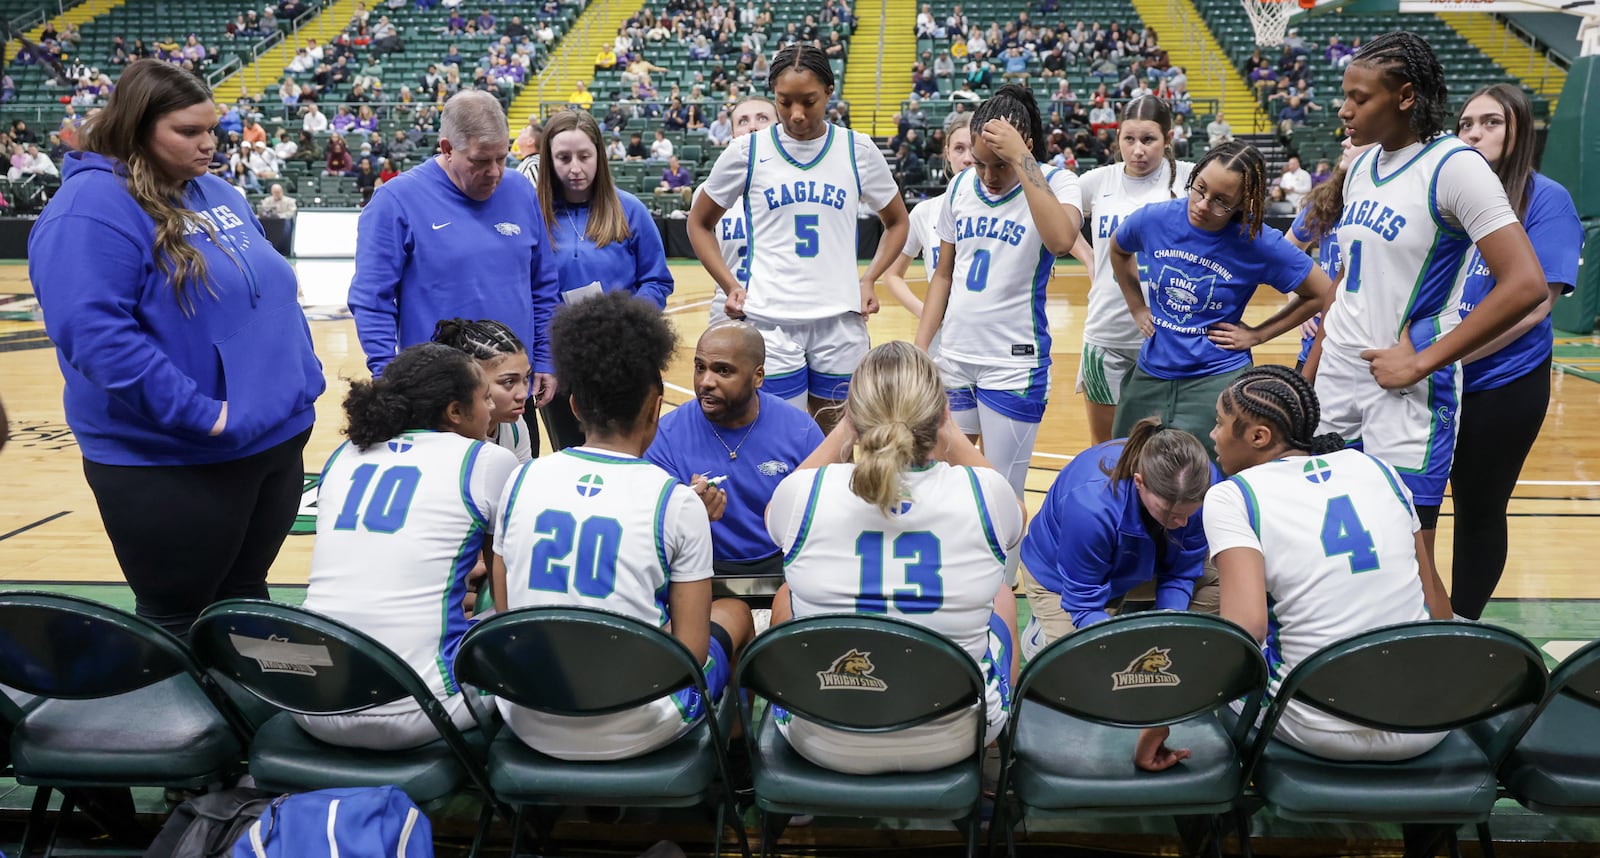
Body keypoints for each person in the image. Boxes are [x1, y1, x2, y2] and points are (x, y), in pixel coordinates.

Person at [28, 60, 324, 638]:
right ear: (137, 127)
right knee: (181, 621)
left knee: (245, 600)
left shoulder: (215, 191)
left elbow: (273, 294)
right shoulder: (89, 209)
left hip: (271, 442)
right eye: (188, 132)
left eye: (212, 129)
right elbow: (97, 338)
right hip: (174, 461)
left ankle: (247, 723)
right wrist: (201, 416)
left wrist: (301, 377)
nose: (208, 144)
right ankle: (189, 726)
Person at [1134, 366, 1450, 771]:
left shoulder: (1232, 495)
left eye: (1220, 423)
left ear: (1259, 436)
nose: (1212, 435)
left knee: (1229, 675)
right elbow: (1436, 606)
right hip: (1427, 722)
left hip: (1318, 729)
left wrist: (1162, 719)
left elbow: (1243, 636)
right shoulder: (1381, 471)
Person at [1309, 32, 1545, 572]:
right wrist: (1318, 357)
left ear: (1406, 96)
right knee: (1332, 532)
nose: (1344, 109)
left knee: (1408, 551)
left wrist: (1420, 361)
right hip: (1340, 375)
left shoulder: (1455, 166)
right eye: (1345, 95)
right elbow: (1350, 277)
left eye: (1360, 98)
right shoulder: (1364, 167)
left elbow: (1526, 283)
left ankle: (1429, 651)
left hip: (1407, 384)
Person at [493, 293, 755, 760]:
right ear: (655, 409)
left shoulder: (519, 479)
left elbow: (506, 614)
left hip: (527, 714)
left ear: (573, 407)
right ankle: (730, 776)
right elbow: (690, 655)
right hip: (636, 723)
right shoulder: (674, 502)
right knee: (732, 613)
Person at [765, 342, 1022, 774]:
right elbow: (1019, 516)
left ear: (853, 415)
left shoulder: (801, 495)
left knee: (786, 596)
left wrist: (846, 429)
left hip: (823, 738)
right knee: (1002, 596)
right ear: (941, 414)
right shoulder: (986, 495)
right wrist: (952, 432)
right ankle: (995, 762)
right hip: (957, 735)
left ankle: (798, 793)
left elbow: (773, 513)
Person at [298, 344, 517, 749]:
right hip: (420, 710)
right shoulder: (485, 459)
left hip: (309, 704)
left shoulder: (344, 454)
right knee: (515, 632)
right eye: (485, 398)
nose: (490, 410)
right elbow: (510, 593)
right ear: (454, 412)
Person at [690, 45, 910, 422]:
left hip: (840, 319)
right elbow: (699, 222)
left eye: (809, 101)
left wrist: (870, 278)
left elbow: (898, 221)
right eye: (784, 101)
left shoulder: (857, 150)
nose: (796, 114)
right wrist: (729, 285)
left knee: (838, 444)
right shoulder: (748, 151)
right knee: (783, 443)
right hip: (769, 320)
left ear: (828, 91)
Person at [348, 88, 561, 447]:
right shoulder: (395, 201)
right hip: (440, 404)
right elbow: (373, 300)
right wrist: (390, 380)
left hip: (511, 398)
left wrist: (544, 359)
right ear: (446, 148)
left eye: (502, 158)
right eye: (480, 161)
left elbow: (543, 286)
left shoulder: (520, 192)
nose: (494, 172)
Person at [1448, 84, 1583, 619]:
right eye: (1466, 124)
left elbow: (1533, 307)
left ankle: (1462, 623)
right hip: (1433, 380)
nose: (1475, 133)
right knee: (1415, 506)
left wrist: (1446, 357)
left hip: (1502, 383)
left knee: (1480, 508)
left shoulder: (1547, 199)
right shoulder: (1448, 196)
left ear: (1520, 129)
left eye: (1491, 122)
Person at [913, 85, 1083, 506]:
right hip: (953, 356)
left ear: (1024, 146)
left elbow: (1062, 240)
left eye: (998, 164)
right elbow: (942, 277)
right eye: (977, 163)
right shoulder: (959, 189)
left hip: (1012, 362)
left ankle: (1005, 575)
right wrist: (921, 348)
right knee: (944, 484)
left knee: (1002, 492)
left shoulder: (1060, 181)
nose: (987, 176)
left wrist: (1022, 163)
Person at [1109, 141, 1332, 459]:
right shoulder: (1155, 219)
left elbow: (1322, 292)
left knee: (1209, 484)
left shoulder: (1257, 242)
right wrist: (1136, 307)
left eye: (1221, 202)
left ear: (1242, 205)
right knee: (1127, 468)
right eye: (1199, 189)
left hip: (1217, 379)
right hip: (1151, 373)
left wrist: (1259, 334)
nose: (1202, 205)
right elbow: (1118, 249)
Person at [535, 109, 674, 450]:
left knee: (634, 456)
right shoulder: (534, 216)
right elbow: (529, 291)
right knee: (570, 455)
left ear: (600, 155)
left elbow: (657, 281)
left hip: (627, 358)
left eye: (584, 156)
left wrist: (621, 326)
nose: (575, 168)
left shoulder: (631, 210)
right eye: (563, 158)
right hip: (562, 362)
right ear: (548, 160)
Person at [1019, 419, 1216, 654]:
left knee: (1227, 581)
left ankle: (1144, 625)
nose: (1182, 523)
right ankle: (1040, 637)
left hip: (1141, 561)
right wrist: (1114, 650)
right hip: (1061, 580)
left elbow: (1181, 572)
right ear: (1139, 482)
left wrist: (1169, 623)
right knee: (1083, 664)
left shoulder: (1200, 485)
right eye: (1170, 513)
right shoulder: (1090, 508)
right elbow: (1083, 600)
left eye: (1188, 514)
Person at [646, 322, 824, 577]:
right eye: (700, 368)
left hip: (787, 563)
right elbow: (648, 531)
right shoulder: (665, 435)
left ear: (758, 377)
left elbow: (824, 515)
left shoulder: (801, 431)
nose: (706, 381)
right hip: (700, 565)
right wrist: (686, 518)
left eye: (723, 371)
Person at [1072, 96, 1194, 445]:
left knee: (1160, 447)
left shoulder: (1189, 178)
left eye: (1149, 140)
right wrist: (1089, 258)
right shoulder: (1097, 181)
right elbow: (1059, 225)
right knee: (1106, 448)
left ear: (1168, 138)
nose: (1138, 150)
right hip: (1105, 333)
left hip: (1165, 336)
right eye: (1129, 139)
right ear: (1118, 138)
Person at [881, 113, 974, 331]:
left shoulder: (1003, 209)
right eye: (959, 149)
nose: (967, 158)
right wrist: (926, 313)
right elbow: (892, 275)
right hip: (940, 340)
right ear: (947, 153)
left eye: (974, 148)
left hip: (989, 337)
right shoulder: (925, 212)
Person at [1284, 137, 1369, 372]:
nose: (1344, 142)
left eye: (1356, 136)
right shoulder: (1328, 201)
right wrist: (1298, 303)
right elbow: (1285, 253)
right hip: (1317, 345)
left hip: (1367, 350)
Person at [694, 96, 776, 325]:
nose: (752, 126)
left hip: (783, 310)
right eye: (742, 121)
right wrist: (732, 288)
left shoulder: (798, 187)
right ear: (732, 135)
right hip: (729, 310)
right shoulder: (708, 194)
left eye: (763, 118)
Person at [433, 318, 537, 462]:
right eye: (508, 382)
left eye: (526, 378)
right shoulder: (440, 443)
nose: (523, 394)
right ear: (468, 382)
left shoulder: (515, 426)